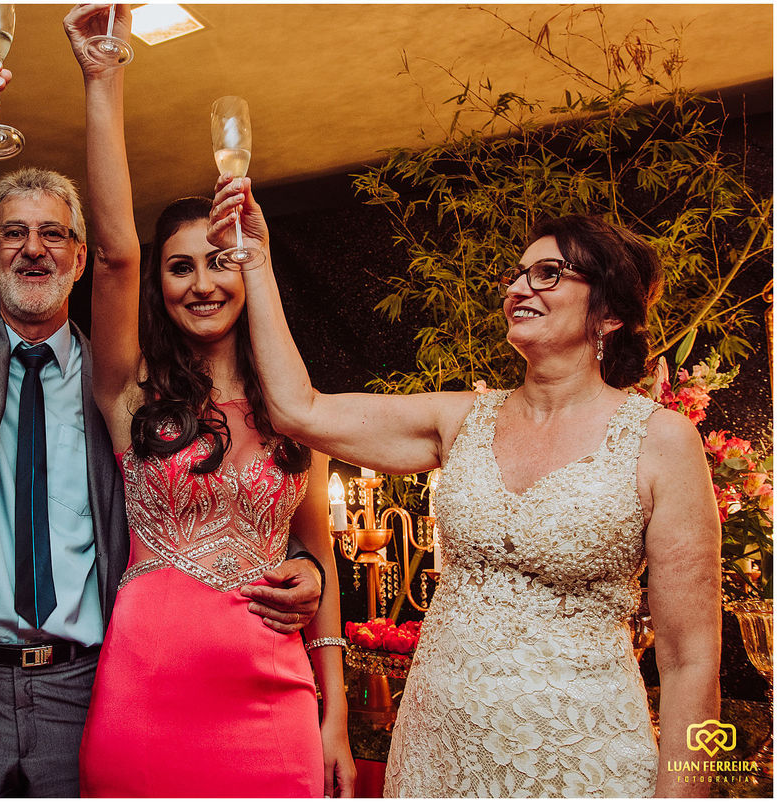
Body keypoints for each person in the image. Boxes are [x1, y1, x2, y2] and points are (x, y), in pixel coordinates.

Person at [0, 32, 324, 797]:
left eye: (54, 234)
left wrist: (312, 564)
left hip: (88, 684)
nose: (34, 250)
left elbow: (240, 494)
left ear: (77, 257)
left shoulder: (123, 384)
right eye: (13, 235)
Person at [209, 179, 722, 797]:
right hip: (438, 749)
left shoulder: (659, 439)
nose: (517, 288)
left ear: (608, 311)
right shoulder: (461, 420)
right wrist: (258, 264)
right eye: (518, 274)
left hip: (586, 758)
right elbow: (298, 410)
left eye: (549, 273)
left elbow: (691, 659)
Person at [63, 5, 355, 797]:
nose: (203, 282)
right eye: (181, 266)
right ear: (160, 286)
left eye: (221, 260)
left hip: (276, 702)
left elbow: (319, 559)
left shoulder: (298, 414)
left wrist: (336, 716)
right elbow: (116, 251)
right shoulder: (130, 394)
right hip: (145, 694)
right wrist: (104, 76)